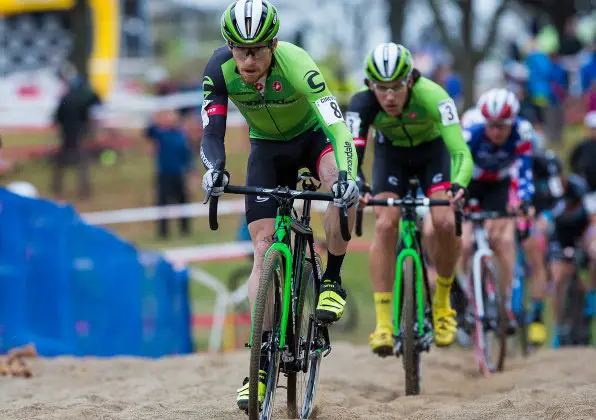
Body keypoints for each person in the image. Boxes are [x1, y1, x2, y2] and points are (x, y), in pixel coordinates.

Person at [198, 1, 360, 411]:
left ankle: (332, 280)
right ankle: (262, 359)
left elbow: (337, 126)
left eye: (256, 50)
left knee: (336, 185)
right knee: (264, 247)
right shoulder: (218, 70)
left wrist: (346, 177)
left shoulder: (298, 64)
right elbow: (212, 132)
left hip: (313, 139)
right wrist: (215, 169)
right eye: (240, 49)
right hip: (267, 152)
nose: (248, 59)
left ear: (273, 44)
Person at [347, 42, 473, 355]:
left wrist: (459, 183)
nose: (389, 96)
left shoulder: (434, 96)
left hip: (433, 155)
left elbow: (460, 151)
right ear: (370, 85)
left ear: (411, 80)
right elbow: (351, 153)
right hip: (391, 158)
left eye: (397, 87)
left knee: (443, 221)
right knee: (385, 225)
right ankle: (384, 324)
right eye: (381, 88)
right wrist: (358, 183)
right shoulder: (362, 103)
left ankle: (443, 304)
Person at [460, 88, 535, 330]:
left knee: (502, 240)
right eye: (491, 125)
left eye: (502, 126)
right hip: (471, 183)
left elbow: (524, 171)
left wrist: (525, 200)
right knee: (463, 242)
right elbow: (456, 167)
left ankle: (504, 304)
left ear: (512, 121)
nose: (496, 132)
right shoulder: (471, 132)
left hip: (498, 185)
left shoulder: (522, 132)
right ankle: (470, 298)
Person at [540, 174, 596, 347]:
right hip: (559, 240)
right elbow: (543, 227)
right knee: (558, 278)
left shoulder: (585, 199)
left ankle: (590, 294)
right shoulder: (552, 203)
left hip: (580, 238)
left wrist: (595, 243)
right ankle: (558, 326)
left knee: (595, 254)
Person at [524, 148, 564, 345]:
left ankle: (537, 317)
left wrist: (546, 218)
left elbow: (558, 200)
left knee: (542, 267)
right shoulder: (505, 161)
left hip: (541, 221)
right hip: (515, 217)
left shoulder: (547, 165)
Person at [51, 63, 102, 200]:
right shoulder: (83, 97)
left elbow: (56, 117)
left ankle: (56, 188)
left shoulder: (65, 98)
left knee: (62, 163)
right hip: (79, 134)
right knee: (82, 164)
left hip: (67, 134)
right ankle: (84, 192)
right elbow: (97, 101)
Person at [145, 108, 193, 239]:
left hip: (178, 174)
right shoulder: (160, 133)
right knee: (162, 203)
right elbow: (148, 131)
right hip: (164, 174)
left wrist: (190, 170)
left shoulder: (180, 135)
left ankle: (185, 229)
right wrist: (154, 117)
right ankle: (163, 232)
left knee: (183, 201)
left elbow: (186, 154)